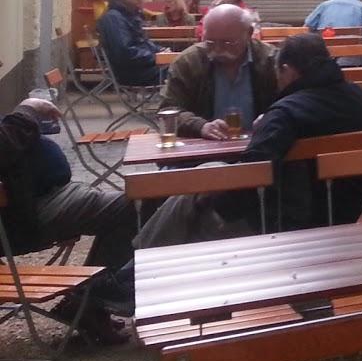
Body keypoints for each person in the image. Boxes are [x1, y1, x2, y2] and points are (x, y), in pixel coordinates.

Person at [0, 98, 211, 343]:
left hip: (40, 196)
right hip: (26, 213)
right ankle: (89, 301)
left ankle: (87, 301)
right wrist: (27, 111)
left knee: (142, 200)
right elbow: (6, 144)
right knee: (137, 206)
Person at [218, 34, 362, 231]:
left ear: (286, 70)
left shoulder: (285, 114)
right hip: (347, 214)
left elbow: (251, 175)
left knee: (191, 200)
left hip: (286, 225)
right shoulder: (360, 98)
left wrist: (212, 203)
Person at [159, 4, 278, 139]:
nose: (218, 50)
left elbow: (296, 101)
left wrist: (274, 117)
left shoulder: (271, 61)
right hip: (204, 150)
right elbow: (168, 110)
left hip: (263, 145)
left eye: (228, 43)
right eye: (210, 42)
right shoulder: (188, 62)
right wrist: (200, 126)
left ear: (249, 33)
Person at [96, 0, 160, 86]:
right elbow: (125, 53)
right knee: (185, 71)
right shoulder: (114, 18)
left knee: (184, 67)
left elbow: (142, 43)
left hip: (141, 68)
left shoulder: (127, 16)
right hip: (133, 73)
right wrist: (156, 57)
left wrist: (161, 51)